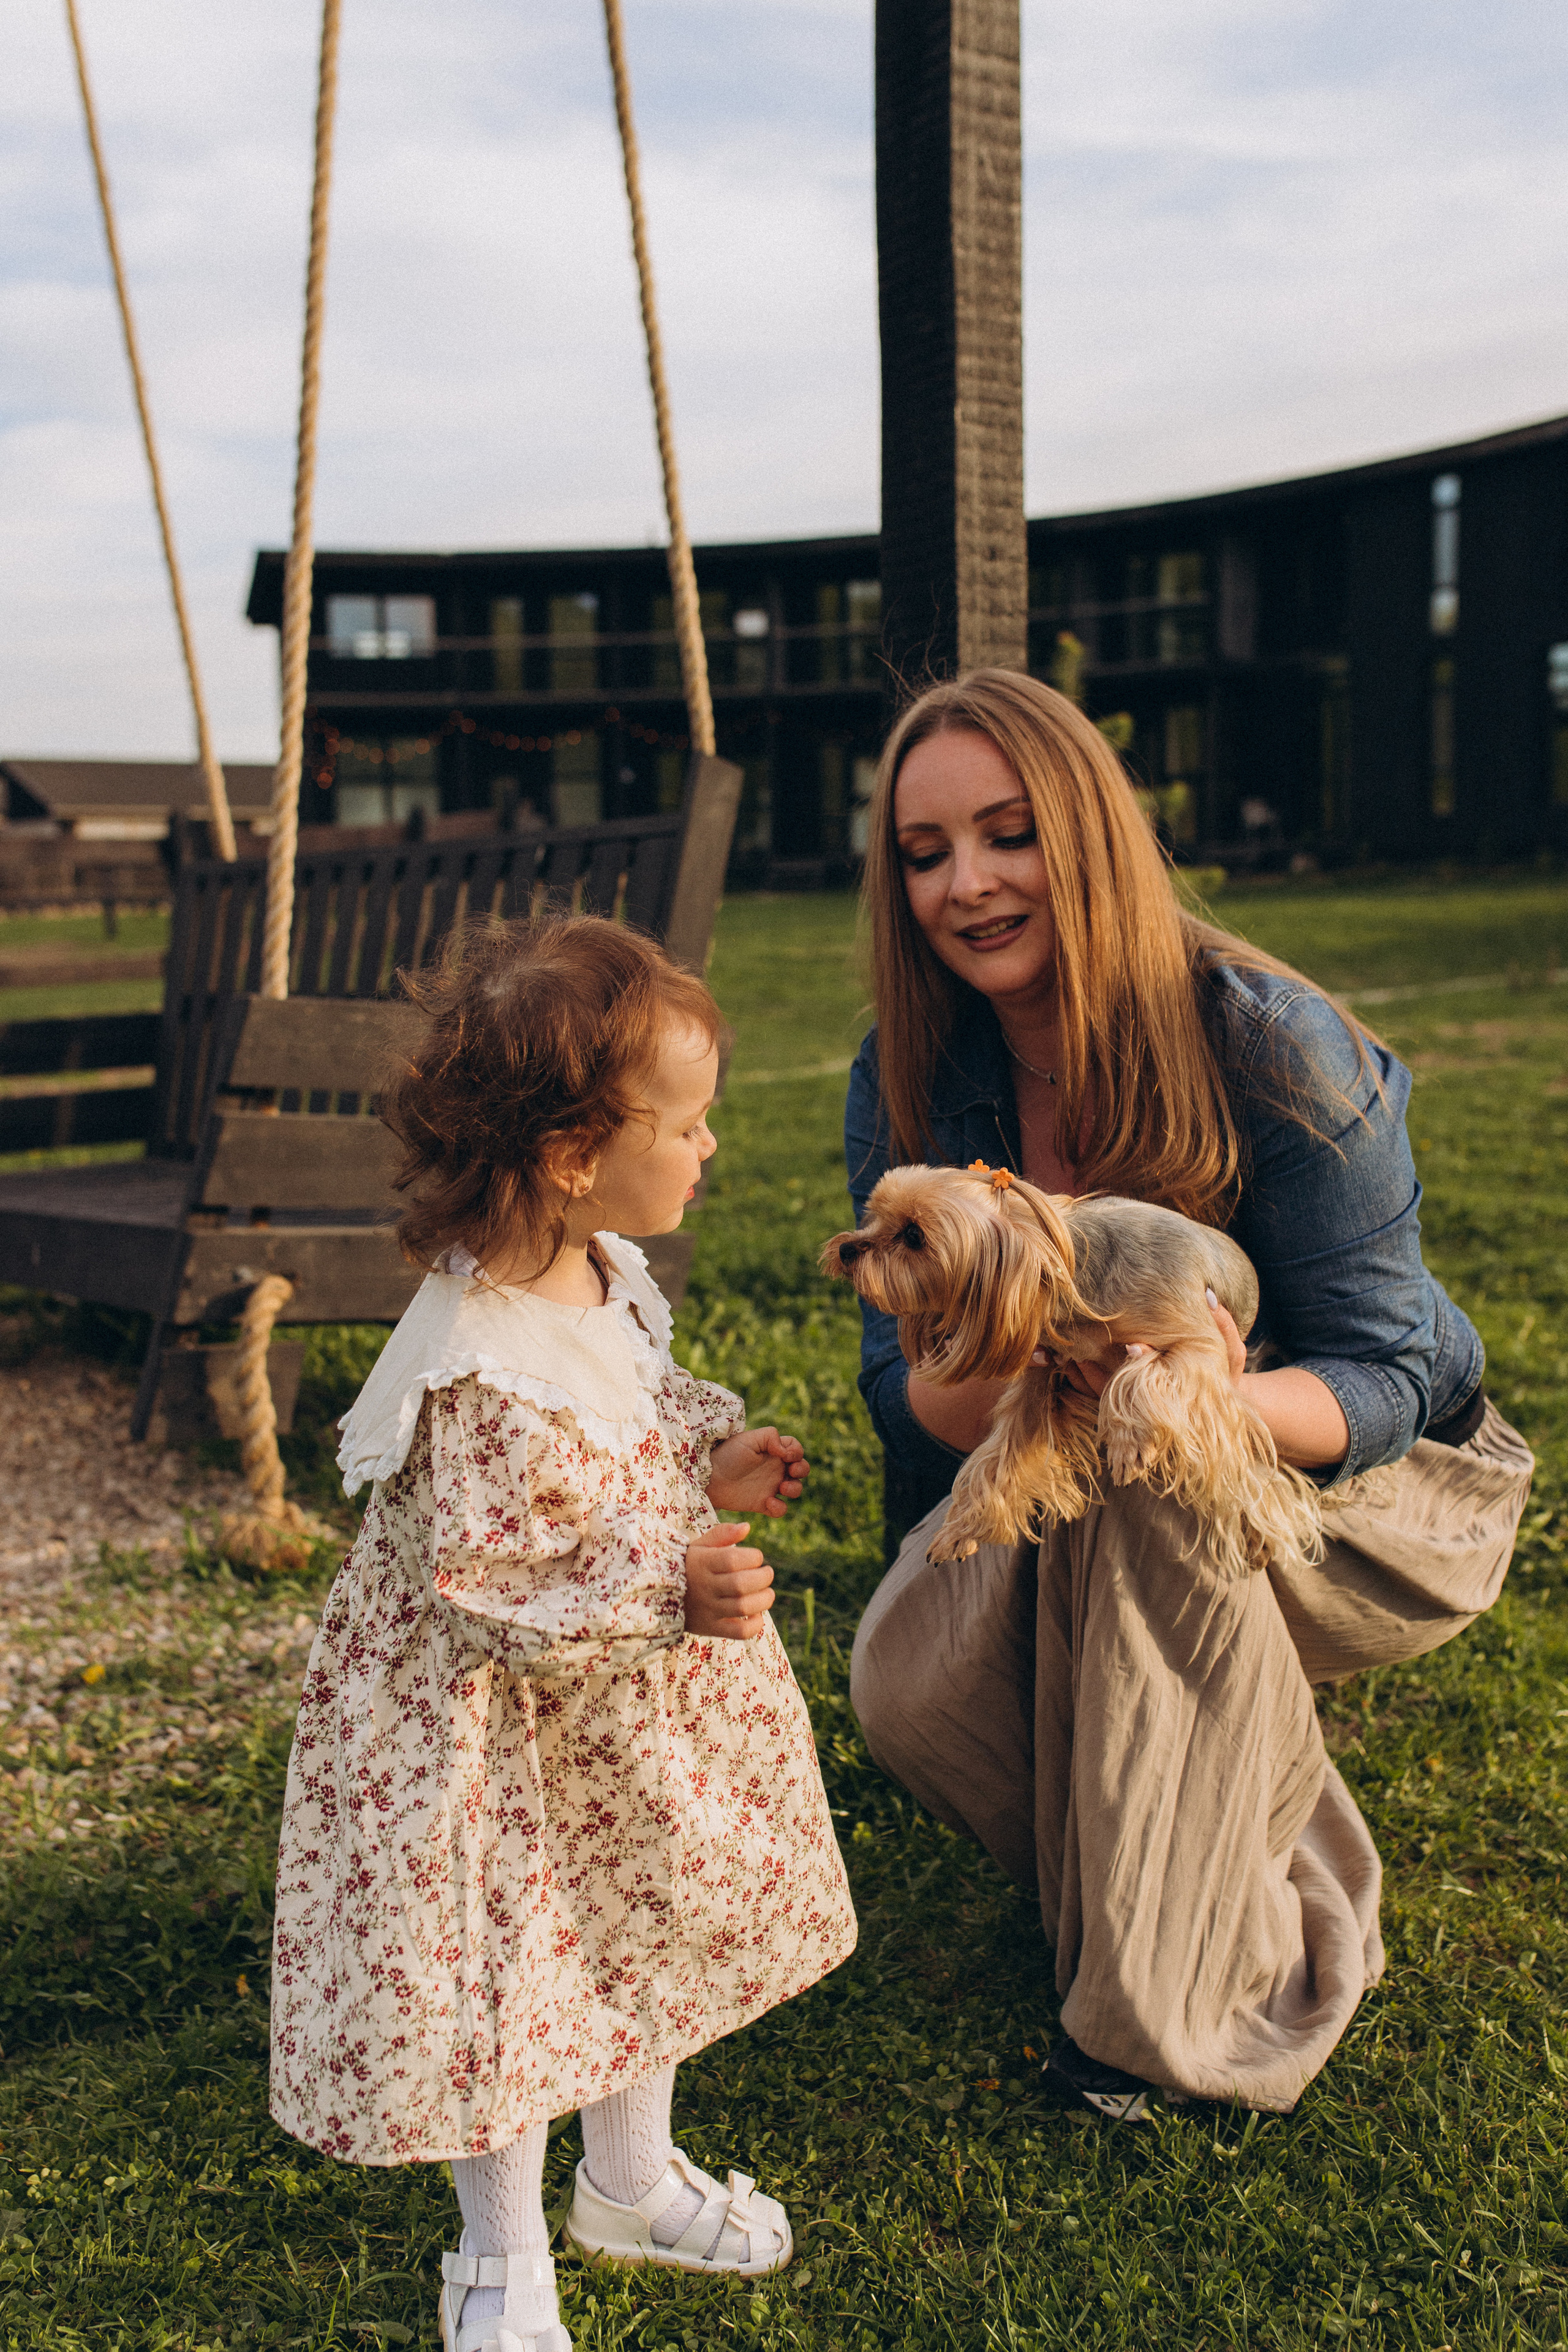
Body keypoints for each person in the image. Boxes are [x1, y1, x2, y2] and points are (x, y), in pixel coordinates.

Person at [844, 669, 1532, 2120]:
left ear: (1087, 833)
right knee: (905, 1686)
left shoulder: (1268, 1042)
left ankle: (1150, 2035)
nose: (966, 885)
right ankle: (1225, 1842)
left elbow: (1390, 1368)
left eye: (1007, 834)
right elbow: (905, 1400)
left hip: (1375, 1489)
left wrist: (1196, 1397)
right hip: (1070, 1467)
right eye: (924, 853)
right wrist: (1018, 1356)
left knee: (1151, 1468)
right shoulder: (908, 1074)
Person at [270, 916, 856, 2352]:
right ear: (574, 1154)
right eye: (690, 1123)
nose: (709, 1147)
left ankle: (630, 2180)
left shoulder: (592, 1270)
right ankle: (499, 2259)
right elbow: (490, 1583)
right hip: (495, 1748)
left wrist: (701, 1479)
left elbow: (625, 1435)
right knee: (513, 1983)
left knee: (634, 1932)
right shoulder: (475, 1358)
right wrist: (671, 1589)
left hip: (613, 1728)